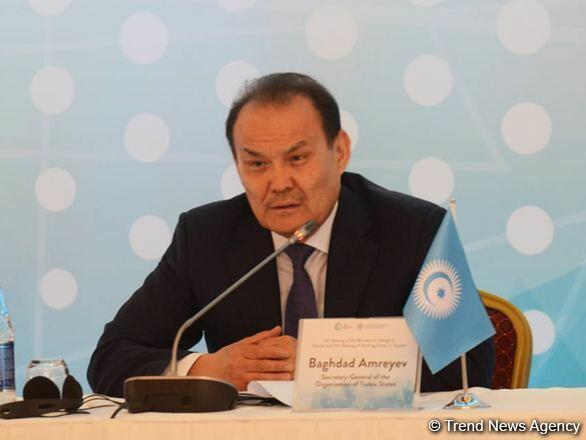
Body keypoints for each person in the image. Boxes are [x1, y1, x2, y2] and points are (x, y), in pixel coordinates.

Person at [87, 73, 494, 397]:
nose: (279, 183)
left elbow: (467, 370)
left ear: (339, 151)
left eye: (297, 158)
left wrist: (327, 368)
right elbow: (111, 358)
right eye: (257, 164)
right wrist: (208, 369)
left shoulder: (413, 229)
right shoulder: (206, 237)